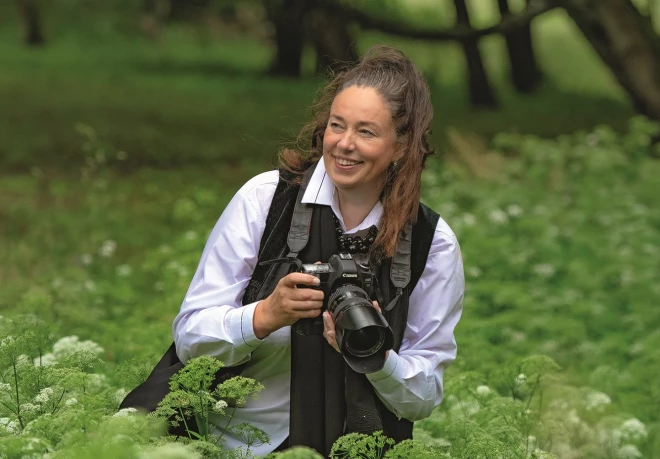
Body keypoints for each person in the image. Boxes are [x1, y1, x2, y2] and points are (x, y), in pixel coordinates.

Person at [172, 45, 465, 457]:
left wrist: (380, 360)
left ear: (400, 146)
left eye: (366, 131)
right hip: (231, 441)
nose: (344, 144)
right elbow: (189, 338)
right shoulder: (265, 200)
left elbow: (425, 395)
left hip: (354, 446)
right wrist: (266, 315)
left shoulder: (430, 243)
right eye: (336, 125)